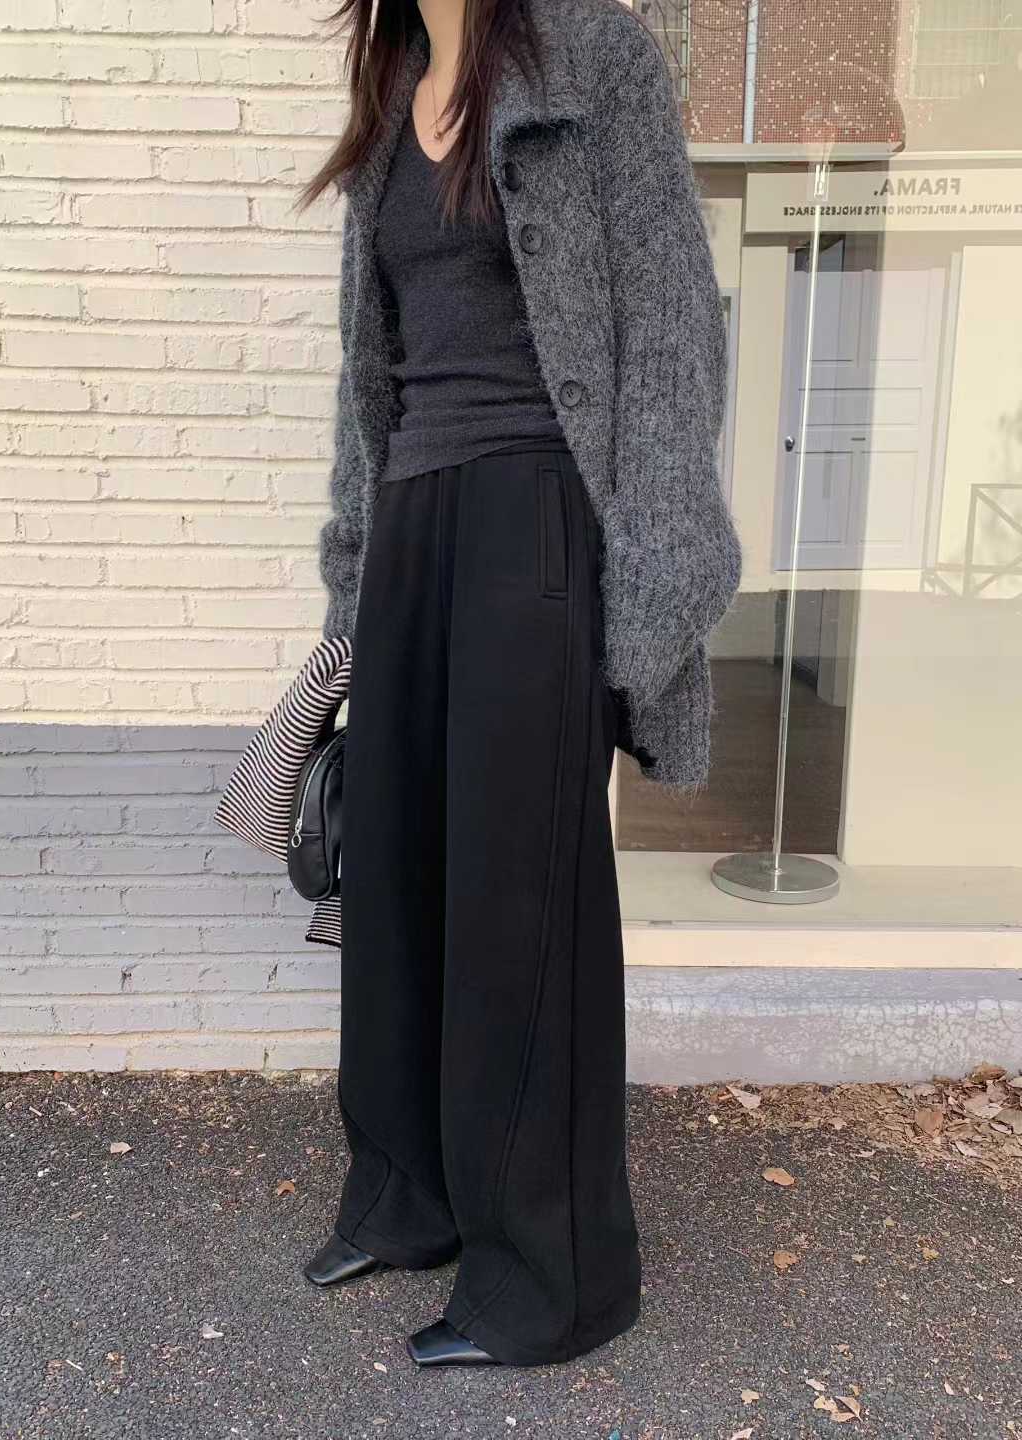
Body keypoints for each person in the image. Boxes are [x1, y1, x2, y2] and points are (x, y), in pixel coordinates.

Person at [292, 0, 742, 1369]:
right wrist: (353, 578)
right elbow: (367, 379)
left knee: (517, 908)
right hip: (412, 528)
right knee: (399, 884)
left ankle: (550, 1279)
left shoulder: (593, 56)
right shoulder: (395, 88)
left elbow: (672, 329)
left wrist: (652, 585)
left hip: (536, 522)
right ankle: (408, 1198)